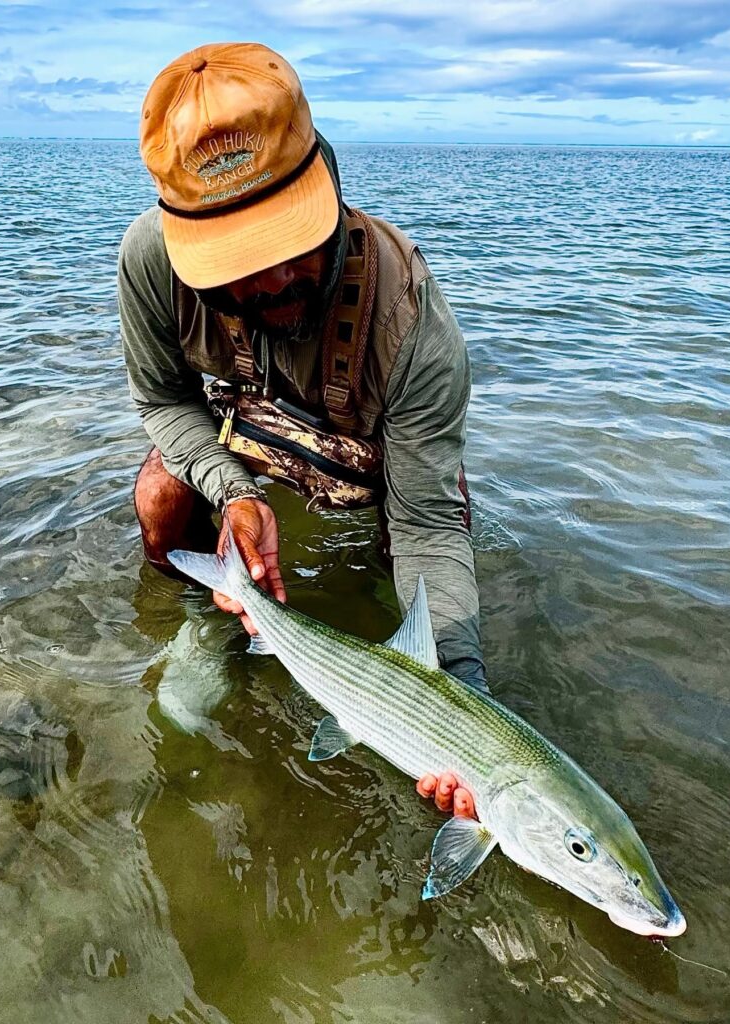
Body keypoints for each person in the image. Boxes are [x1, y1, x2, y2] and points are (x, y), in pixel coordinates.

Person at [118, 42, 484, 819]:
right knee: (158, 493)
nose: (274, 279)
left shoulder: (411, 317)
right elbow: (162, 400)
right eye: (237, 262)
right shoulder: (149, 263)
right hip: (248, 432)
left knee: (418, 568)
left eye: (291, 242)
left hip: (382, 457)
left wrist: (460, 699)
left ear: (327, 183)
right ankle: (211, 612)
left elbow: (425, 520)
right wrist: (234, 492)